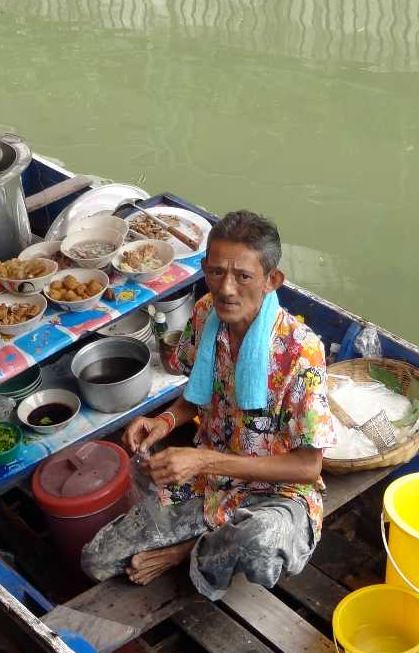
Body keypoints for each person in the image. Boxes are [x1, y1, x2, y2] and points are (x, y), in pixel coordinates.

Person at [81, 210, 336, 600]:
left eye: (243, 276)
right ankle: (208, 534)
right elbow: (196, 396)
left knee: (260, 544)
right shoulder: (205, 315)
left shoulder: (301, 352)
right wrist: (164, 421)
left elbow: (308, 466)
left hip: (279, 493)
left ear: (272, 281)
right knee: (97, 560)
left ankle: (186, 552)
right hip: (211, 484)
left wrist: (201, 460)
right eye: (216, 272)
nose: (226, 288)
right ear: (203, 268)